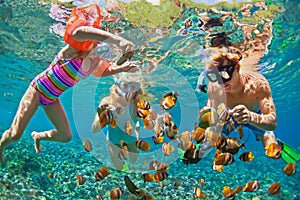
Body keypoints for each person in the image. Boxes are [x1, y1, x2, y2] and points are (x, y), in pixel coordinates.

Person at [0, 4, 139, 164]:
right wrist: (118, 41)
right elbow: (77, 32)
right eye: (98, 46)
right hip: (37, 91)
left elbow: (103, 71)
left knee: (66, 136)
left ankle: (38, 136)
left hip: (52, 99)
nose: (99, 52)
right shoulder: (73, 50)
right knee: (15, 134)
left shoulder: (94, 63)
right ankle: (1, 146)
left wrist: (123, 67)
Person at [196, 50, 282, 159]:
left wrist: (251, 117)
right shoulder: (214, 87)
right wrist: (206, 119)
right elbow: (211, 117)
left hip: (255, 115)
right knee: (207, 140)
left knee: (271, 149)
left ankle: (276, 144)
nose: (221, 82)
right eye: (214, 76)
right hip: (229, 116)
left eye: (224, 74)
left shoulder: (258, 84)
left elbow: (273, 122)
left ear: (237, 68)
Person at [91, 74, 154, 171]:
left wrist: (150, 119)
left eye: (133, 87)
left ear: (137, 90)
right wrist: (102, 118)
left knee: (134, 160)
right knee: (118, 167)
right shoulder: (107, 102)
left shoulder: (139, 104)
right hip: (114, 140)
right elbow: (94, 130)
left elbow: (151, 126)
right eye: (125, 86)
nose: (128, 91)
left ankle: (136, 130)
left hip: (132, 139)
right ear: (117, 86)